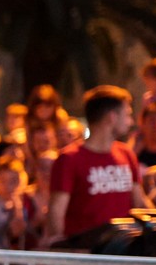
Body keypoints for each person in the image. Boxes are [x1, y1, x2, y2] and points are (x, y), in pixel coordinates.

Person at [47, 85, 147, 244]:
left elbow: (140, 203)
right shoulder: (69, 159)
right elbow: (56, 212)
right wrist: (62, 251)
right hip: (86, 255)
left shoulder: (126, 154)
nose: (131, 121)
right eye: (127, 115)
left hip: (121, 252)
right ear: (112, 117)